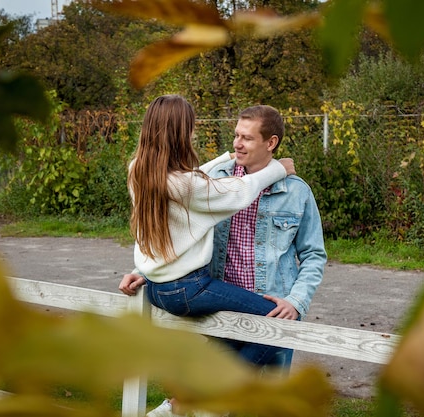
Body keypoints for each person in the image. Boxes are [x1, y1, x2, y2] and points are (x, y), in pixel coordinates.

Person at [118, 95, 295, 417]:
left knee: (234, 335)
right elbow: (234, 192)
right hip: (188, 288)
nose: (193, 133)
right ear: (177, 132)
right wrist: (277, 170)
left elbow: (191, 179)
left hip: (158, 287)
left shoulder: (139, 170)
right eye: (190, 127)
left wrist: (225, 157)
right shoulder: (184, 185)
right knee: (277, 328)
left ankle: (178, 405)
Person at [208, 104, 327, 369]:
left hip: (274, 313)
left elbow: (314, 255)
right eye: (237, 135)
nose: (237, 144)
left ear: (271, 142)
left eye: (247, 138)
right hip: (223, 309)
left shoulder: (296, 192)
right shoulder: (216, 181)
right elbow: (183, 230)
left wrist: (296, 302)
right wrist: (145, 271)